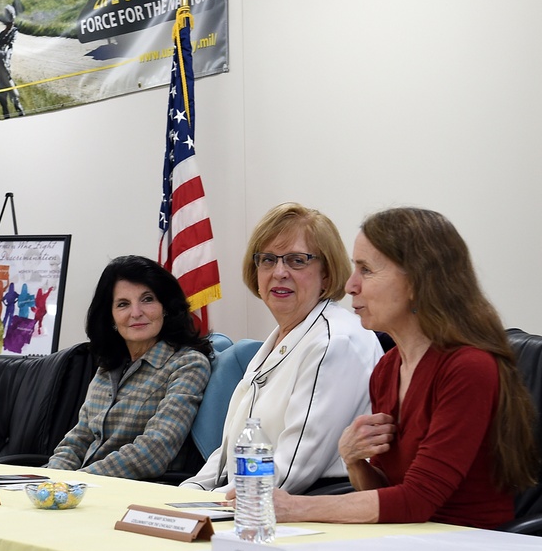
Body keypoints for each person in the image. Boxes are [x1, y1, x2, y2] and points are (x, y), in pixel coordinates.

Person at [254, 207, 539, 530]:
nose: (350, 286)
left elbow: (416, 501)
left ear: (417, 281)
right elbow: (389, 496)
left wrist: (294, 507)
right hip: (408, 542)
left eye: (366, 270)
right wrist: (355, 461)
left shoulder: (468, 368)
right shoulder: (389, 367)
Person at [182, 203, 382, 494]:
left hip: (311, 504)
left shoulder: (333, 342)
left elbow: (293, 468)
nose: (279, 272)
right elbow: (230, 454)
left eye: (297, 260)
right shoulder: (280, 339)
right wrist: (186, 493)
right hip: (253, 498)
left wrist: (210, 504)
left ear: (326, 273)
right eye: (267, 260)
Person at [45, 255, 212, 479]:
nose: (136, 313)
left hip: (135, 494)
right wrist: (48, 481)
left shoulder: (188, 364)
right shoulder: (108, 366)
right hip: (82, 489)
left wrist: (77, 481)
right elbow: (78, 440)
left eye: (147, 299)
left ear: (165, 307)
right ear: (111, 317)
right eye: (123, 304)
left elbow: (154, 451)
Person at [0, 4, 25, 119]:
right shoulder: (0, 36)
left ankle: (18, 113)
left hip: (3, 68)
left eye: (10, 21)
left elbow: (7, 48)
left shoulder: (11, 34)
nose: (10, 24)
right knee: (4, 94)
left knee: (11, 93)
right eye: (9, 21)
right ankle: (10, 114)